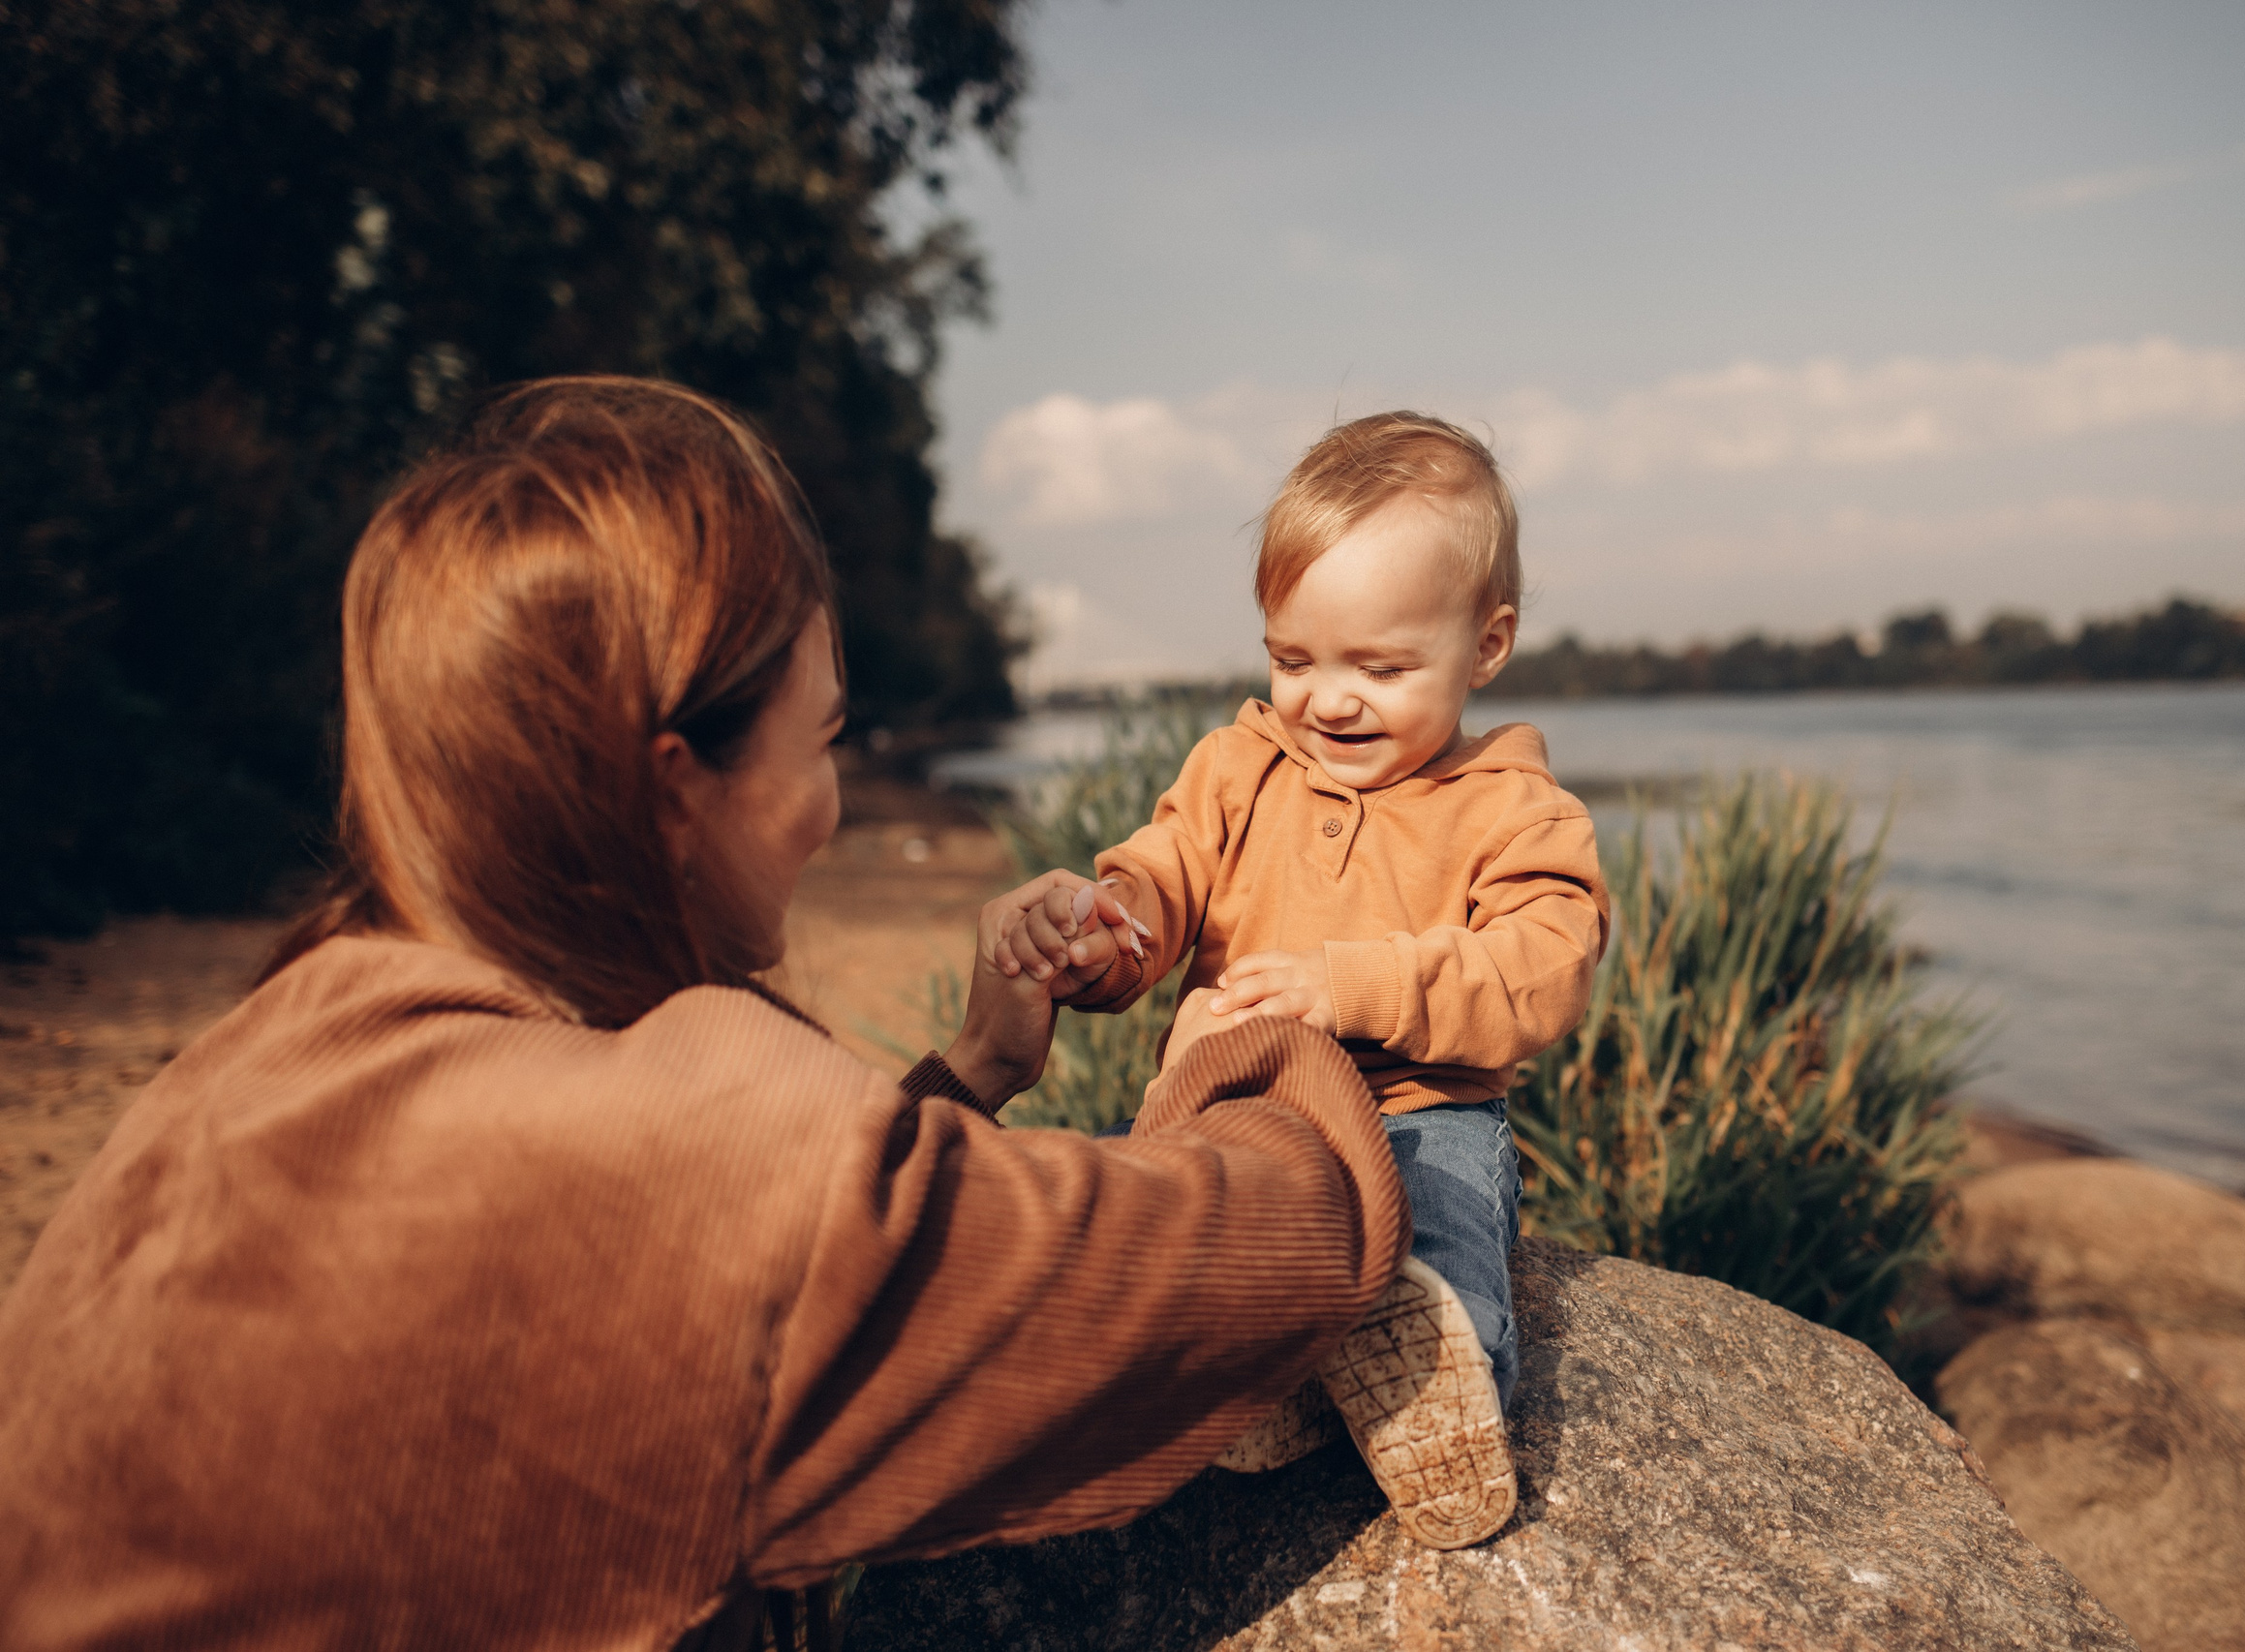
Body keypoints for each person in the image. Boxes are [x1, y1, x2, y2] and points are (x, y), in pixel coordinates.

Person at [0, 379, 1429, 1650]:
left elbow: (702, 1299)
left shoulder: (276, 1040)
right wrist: (1282, 1043)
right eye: (823, 742)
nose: (833, 811)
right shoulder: (688, 1155)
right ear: (679, 784)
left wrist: (980, 1066)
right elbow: (1243, 1256)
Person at [995, 413, 1611, 1548]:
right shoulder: (1234, 769)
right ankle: (1254, 1371)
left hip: (1416, 1111)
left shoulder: (1514, 809)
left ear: (1486, 645)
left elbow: (1544, 967)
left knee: (1440, 1240)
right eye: (1293, 658)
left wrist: (1352, 987)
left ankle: (1420, 1379)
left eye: (1380, 666)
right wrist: (1100, 934)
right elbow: (1159, 880)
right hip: (1236, 1105)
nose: (1328, 699)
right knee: (1153, 1219)